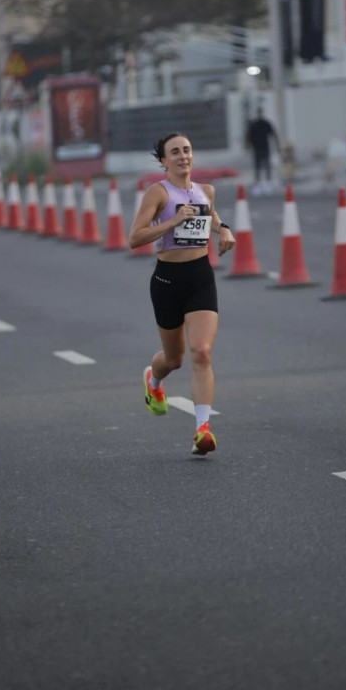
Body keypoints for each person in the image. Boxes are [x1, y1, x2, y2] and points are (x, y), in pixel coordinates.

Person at [129, 133, 236, 455]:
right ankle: (154, 380)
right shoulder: (158, 193)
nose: (182, 156)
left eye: (187, 150)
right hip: (167, 281)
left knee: (201, 352)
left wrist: (224, 228)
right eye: (174, 152)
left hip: (200, 277)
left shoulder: (206, 191)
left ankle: (202, 429)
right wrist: (173, 221)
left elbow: (210, 216)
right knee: (173, 360)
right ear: (164, 161)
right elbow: (135, 238)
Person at [246, 105, 279, 194]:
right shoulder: (254, 124)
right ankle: (258, 184)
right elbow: (249, 136)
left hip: (265, 148)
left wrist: (277, 146)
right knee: (258, 167)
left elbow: (273, 134)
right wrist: (248, 146)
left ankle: (268, 183)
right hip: (257, 148)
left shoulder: (265, 123)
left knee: (267, 166)